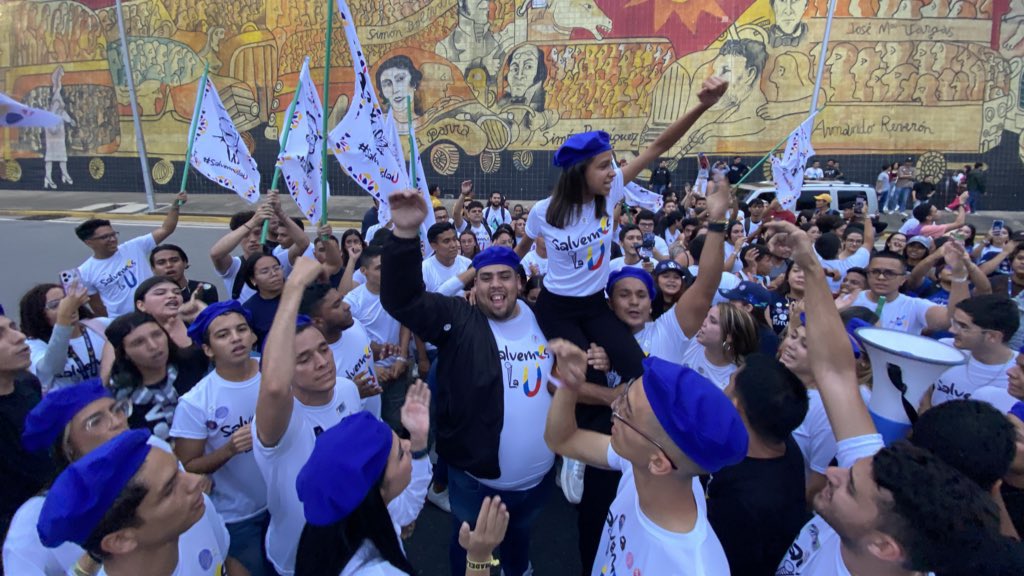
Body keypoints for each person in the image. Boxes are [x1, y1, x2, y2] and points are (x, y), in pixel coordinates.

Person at [768, 219, 1015, 576]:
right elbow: (835, 371)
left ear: (884, 546)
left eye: (850, 488)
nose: (836, 472)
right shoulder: (877, 479)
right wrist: (810, 266)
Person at [382, 189, 558, 576]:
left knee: (519, 537)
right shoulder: (458, 321)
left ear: (519, 280)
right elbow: (403, 300)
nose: (496, 286)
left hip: (537, 480)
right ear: (473, 285)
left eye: (505, 277)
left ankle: (516, 567)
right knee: (467, 543)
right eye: (486, 278)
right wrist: (405, 235)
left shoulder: (546, 319)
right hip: (474, 481)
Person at [253, 258, 408, 576]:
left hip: (357, 542)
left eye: (323, 350)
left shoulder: (347, 390)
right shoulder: (278, 424)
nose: (322, 363)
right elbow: (273, 387)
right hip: (296, 555)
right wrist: (293, 286)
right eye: (303, 359)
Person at [545, 345, 748, 575]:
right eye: (625, 394)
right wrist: (569, 385)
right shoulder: (638, 466)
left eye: (627, 411)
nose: (614, 406)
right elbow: (563, 440)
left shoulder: (694, 568)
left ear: (659, 463)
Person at [293, 411, 510, 575]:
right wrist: (479, 558)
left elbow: (405, 511)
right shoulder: (378, 572)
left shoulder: (341, 521)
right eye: (400, 453)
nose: (408, 445)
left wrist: (419, 442)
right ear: (375, 492)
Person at [35, 429, 232, 576]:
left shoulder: (196, 513)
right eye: (170, 489)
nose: (196, 481)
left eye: (179, 470)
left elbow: (225, 562)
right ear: (121, 541)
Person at [170, 302, 273, 576]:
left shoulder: (276, 373)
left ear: (253, 335)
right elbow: (188, 466)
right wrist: (229, 449)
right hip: (239, 517)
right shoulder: (195, 402)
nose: (236, 338)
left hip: (287, 498)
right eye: (223, 335)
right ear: (207, 349)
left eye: (241, 329)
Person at [707, 353, 809, 575]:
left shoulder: (743, 504)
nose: (723, 389)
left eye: (730, 382)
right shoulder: (780, 440)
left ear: (736, 406)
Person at [75, 195, 186, 317]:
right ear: (88, 242)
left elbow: (166, 229)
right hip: (124, 323)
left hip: (155, 314)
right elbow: (96, 305)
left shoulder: (134, 247)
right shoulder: (84, 272)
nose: (112, 239)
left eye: (113, 234)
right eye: (105, 237)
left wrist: (175, 207)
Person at [104, 311, 207, 440]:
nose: (153, 346)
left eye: (157, 335)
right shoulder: (120, 403)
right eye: (138, 342)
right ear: (124, 353)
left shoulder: (196, 365)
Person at [344, 245, 414, 432]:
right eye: (380, 267)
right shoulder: (353, 301)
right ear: (364, 271)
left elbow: (404, 324)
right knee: (369, 426)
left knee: (396, 424)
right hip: (368, 377)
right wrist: (372, 367)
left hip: (396, 371)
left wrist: (401, 358)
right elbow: (347, 341)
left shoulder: (398, 292)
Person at [0, 314, 54, 541]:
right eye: (1, 335)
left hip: (55, 511)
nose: (19, 337)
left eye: (13, 327)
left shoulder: (26, 383)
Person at [299, 283, 383, 418]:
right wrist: (351, 392)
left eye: (342, 299)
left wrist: (382, 351)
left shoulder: (355, 325)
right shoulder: (317, 363)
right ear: (318, 321)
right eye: (337, 305)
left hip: (377, 422)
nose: (347, 306)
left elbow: (366, 350)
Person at [929, 295, 1019, 411]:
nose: (952, 330)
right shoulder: (943, 348)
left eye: (963, 326)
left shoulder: (1019, 373)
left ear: (992, 336)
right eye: (954, 323)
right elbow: (925, 388)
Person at [850, 248, 968, 335]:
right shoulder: (850, 300)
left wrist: (959, 274)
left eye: (889, 273)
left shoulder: (914, 305)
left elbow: (951, 319)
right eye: (875, 272)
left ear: (903, 279)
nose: (881, 277)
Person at [20, 281, 110, 392]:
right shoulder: (34, 345)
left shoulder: (101, 325)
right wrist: (64, 318)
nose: (68, 306)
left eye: (67, 300)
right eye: (54, 305)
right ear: (38, 314)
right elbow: (51, 368)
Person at [210, 204, 275, 302]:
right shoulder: (234, 267)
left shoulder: (277, 258)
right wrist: (253, 222)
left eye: (257, 233)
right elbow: (215, 254)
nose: (252, 239)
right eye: (245, 235)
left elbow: (302, 244)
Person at [719, 281, 781, 356]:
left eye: (733, 300)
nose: (728, 304)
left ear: (748, 308)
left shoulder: (767, 339)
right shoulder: (724, 323)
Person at [150, 244, 219, 305]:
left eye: (174, 260)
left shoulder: (205, 290)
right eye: (161, 262)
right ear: (153, 269)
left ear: (185, 263)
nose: (169, 265)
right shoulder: (149, 295)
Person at [240, 253, 286, 345]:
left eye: (276, 268)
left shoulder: (300, 293)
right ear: (253, 279)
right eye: (265, 271)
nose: (274, 274)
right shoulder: (248, 309)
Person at [454, 181, 492, 250]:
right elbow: (456, 213)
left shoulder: (489, 229)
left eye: (479, 211)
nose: (477, 213)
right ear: (468, 214)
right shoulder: (464, 227)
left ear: (482, 214)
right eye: (474, 211)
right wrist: (463, 194)